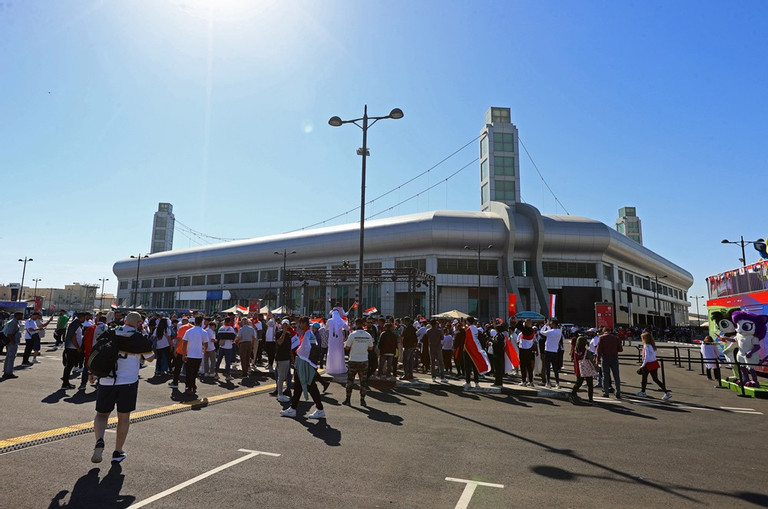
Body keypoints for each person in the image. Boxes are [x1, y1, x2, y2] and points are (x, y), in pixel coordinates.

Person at [91, 312, 154, 464]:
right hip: (128, 381)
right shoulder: (139, 338)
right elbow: (150, 358)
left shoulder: (110, 332)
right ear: (139, 323)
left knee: (101, 414)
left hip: (106, 379)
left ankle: (100, 440)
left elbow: (97, 350)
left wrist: (91, 372)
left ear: (125, 320)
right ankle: (117, 451)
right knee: (123, 417)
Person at [280, 316, 325, 419]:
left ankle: (319, 409)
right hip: (307, 363)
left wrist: (297, 352)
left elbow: (305, 348)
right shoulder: (309, 333)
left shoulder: (307, 333)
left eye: (300, 323)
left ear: (304, 323)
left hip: (304, 363)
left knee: (309, 386)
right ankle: (293, 408)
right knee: (299, 386)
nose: (299, 325)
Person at [343, 318, 374, 406]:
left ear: (356, 324)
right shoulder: (367, 335)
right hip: (364, 360)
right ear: (363, 324)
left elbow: (347, 347)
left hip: (353, 360)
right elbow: (371, 348)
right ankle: (362, 400)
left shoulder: (352, 335)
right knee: (363, 381)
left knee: (350, 381)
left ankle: (348, 399)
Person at [636, 331, 671, 400]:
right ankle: (666, 392)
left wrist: (643, 365)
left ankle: (643, 392)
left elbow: (647, 357)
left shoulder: (646, 346)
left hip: (648, 363)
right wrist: (643, 350)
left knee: (644, 379)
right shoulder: (652, 345)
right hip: (654, 363)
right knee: (655, 379)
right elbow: (652, 354)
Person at [182, 316, 207, 395]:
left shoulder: (189, 331)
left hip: (190, 354)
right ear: (201, 322)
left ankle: (189, 386)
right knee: (195, 371)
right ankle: (192, 385)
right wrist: (204, 350)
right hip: (198, 354)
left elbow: (184, 343)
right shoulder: (203, 331)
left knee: (189, 371)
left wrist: (183, 354)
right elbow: (206, 343)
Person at [596, 327, 623, 399]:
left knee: (605, 375)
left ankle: (606, 392)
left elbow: (599, 350)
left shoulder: (601, 338)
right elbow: (620, 349)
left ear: (604, 331)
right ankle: (618, 392)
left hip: (605, 357)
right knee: (616, 375)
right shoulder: (616, 338)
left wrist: (597, 359)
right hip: (614, 357)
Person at [569, 335, 597, 404]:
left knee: (578, 383)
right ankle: (590, 399)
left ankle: (573, 394)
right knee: (590, 384)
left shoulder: (575, 350)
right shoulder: (586, 352)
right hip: (586, 369)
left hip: (578, 368)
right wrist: (597, 368)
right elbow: (591, 361)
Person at [62, 312, 85, 390]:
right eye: (84, 318)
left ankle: (66, 383)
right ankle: (65, 383)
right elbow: (73, 337)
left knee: (69, 365)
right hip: (72, 348)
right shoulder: (75, 324)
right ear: (81, 317)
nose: (85, 320)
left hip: (73, 348)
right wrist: (78, 347)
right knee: (69, 366)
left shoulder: (76, 324)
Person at [539, 321, 563, 389]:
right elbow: (551, 331)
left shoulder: (550, 332)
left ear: (554, 324)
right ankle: (557, 383)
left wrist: (545, 325)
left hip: (548, 351)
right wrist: (548, 326)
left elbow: (541, 332)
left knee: (548, 368)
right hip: (555, 351)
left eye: (551, 323)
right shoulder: (559, 331)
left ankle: (548, 382)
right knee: (555, 368)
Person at [325, 310, 349, 375]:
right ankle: (340, 368)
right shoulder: (341, 321)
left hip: (332, 340)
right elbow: (347, 328)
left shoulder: (329, 321)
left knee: (331, 353)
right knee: (339, 353)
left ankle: (331, 368)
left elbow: (326, 328)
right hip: (339, 340)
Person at [2, 312, 23, 379]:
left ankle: (7, 372)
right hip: (12, 343)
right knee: (11, 358)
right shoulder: (13, 322)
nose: (22, 316)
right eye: (20, 315)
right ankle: (8, 373)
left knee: (9, 357)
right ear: (17, 315)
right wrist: (13, 342)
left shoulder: (15, 322)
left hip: (12, 342)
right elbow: (9, 334)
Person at [215, 317, 237, 381]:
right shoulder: (231, 328)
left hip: (221, 347)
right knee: (227, 362)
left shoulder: (221, 328)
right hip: (228, 347)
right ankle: (227, 375)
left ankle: (216, 373)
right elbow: (233, 338)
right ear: (229, 322)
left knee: (218, 361)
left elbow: (218, 336)